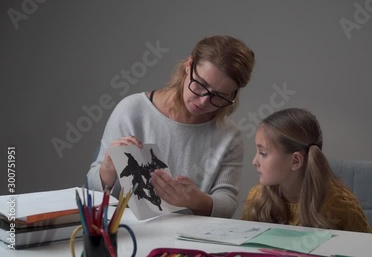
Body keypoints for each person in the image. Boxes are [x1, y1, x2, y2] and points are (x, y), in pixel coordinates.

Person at [87, 35, 255, 218]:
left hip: (189, 238)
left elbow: (228, 203)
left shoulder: (229, 135)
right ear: (188, 65)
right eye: (200, 85)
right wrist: (107, 171)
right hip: (130, 234)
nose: (204, 101)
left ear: (233, 94)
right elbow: (93, 189)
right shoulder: (133, 111)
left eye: (220, 96)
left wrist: (195, 200)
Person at [241, 108, 371, 232]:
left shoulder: (342, 205)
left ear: (296, 161)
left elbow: (366, 249)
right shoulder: (257, 198)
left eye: (263, 153)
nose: (254, 162)